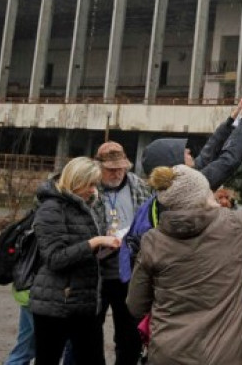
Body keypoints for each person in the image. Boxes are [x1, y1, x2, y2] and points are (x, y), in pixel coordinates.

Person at [126, 160, 242, 364]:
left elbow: (135, 305)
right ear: (202, 195)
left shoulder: (152, 241)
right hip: (231, 354)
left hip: (171, 354)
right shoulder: (231, 225)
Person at [119, 96, 242, 281]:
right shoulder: (188, 190)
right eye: (183, 151)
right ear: (173, 162)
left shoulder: (172, 186)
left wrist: (231, 121)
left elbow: (207, 155)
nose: (189, 152)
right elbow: (229, 161)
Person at [29, 157, 120, 365]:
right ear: (75, 181)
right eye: (89, 184)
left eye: (95, 184)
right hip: (55, 303)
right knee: (48, 359)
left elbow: (82, 251)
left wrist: (105, 248)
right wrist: (95, 241)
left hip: (83, 301)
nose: (93, 189)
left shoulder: (82, 207)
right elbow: (54, 258)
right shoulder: (51, 208)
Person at [90, 141, 151, 365]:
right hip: (95, 273)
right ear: (98, 167)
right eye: (111, 169)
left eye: (121, 168)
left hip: (129, 273)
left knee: (129, 336)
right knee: (88, 332)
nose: (117, 173)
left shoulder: (139, 186)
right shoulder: (88, 187)